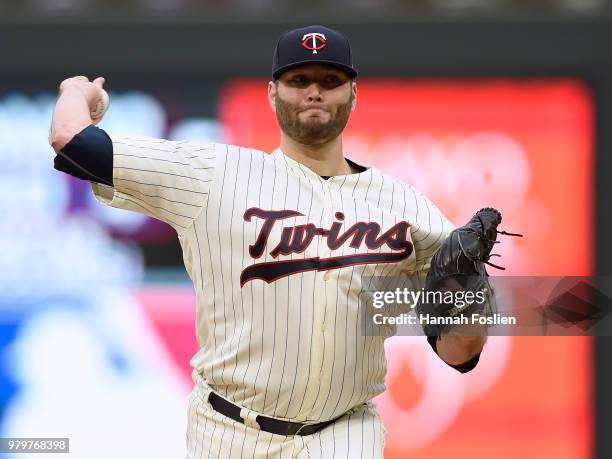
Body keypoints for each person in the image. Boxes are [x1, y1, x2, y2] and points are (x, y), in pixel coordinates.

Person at [49, 25, 487, 459]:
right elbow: (72, 142)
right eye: (299, 80)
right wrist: (74, 91)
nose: (314, 92)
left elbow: (459, 355)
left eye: (330, 81)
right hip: (227, 429)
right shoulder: (213, 175)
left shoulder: (407, 207)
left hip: (344, 432)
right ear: (272, 93)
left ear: (353, 93)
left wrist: (472, 295)